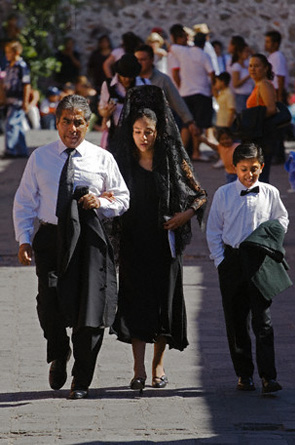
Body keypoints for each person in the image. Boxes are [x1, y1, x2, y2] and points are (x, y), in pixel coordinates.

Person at [13, 94, 130, 399]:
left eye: (79, 122)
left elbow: (122, 198)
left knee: (88, 309)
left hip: (90, 241)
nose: (73, 128)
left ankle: (82, 378)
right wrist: (24, 238)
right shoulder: (40, 157)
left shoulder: (102, 158)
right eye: (67, 121)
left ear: (88, 124)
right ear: (57, 122)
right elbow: (25, 200)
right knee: (49, 302)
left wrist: (101, 201)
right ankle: (59, 351)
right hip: (51, 238)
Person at [110, 85, 207, 391]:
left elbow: (200, 195)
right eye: (138, 131)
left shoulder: (173, 159)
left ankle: (158, 365)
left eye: (149, 131)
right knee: (136, 303)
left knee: (164, 305)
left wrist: (183, 216)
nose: (143, 137)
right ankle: (138, 369)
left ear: (158, 130)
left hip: (165, 246)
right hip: (132, 244)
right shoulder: (120, 162)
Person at [206, 142, 290, 394]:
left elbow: (281, 219)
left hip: (259, 261)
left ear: (261, 167)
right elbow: (213, 230)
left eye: (254, 169)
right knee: (236, 321)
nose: (249, 174)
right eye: (243, 169)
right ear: (235, 168)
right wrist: (220, 261)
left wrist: (269, 238)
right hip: (232, 261)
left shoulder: (270, 193)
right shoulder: (223, 194)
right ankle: (244, 375)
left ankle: (268, 377)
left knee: (263, 321)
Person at [134, 44, 200, 151]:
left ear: (151, 60)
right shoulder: (129, 79)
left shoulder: (163, 79)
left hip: (156, 129)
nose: (139, 63)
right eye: (137, 59)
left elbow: (177, 102)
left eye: (143, 59)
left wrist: (190, 121)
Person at [169, 32, 215, 161]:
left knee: (186, 124)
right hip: (201, 92)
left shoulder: (184, 52)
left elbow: (171, 47)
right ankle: (196, 152)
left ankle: (182, 154)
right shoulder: (205, 55)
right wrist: (213, 88)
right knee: (198, 125)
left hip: (185, 92)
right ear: (204, 43)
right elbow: (211, 73)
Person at [98, 53, 149, 148]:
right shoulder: (108, 85)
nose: (127, 79)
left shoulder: (144, 84)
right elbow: (101, 108)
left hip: (137, 135)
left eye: (130, 76)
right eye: (124, 76)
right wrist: (106, 112)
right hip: (115, 134)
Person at [246, 53, 277, 183]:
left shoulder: (264, 85)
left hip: (262, 136)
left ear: (265, 68)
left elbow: (271, 109)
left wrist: (252, 119)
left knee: (259, 178)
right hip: (258, 136)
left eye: (257, 66)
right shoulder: (258, 85)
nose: (253, 69)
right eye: (251, 66)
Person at [2, 40, 30, 158]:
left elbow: (26, 84)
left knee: (11, 124)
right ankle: (22, 150)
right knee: (16, 125)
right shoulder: (9, 66)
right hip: (10, 99)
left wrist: (25, 101)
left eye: (9, 52)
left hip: (18, 100)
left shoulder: (21, 66)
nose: (6, 55)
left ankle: (11, 150)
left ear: (16, 52)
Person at [231, 43, 254, 113]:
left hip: (249, 94)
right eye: (245, 52)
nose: (247, 54)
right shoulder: (236, 66)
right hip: (241, 96)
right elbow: (235, 84)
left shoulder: (247, 64)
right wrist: (248, 77)